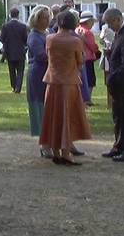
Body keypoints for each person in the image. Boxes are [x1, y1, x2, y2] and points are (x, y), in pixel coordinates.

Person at [38, 9, 91, 165]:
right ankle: (66, 152)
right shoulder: (75, 41)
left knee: (53, 116)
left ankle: (55, 150)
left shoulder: (50, 39)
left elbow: (49, 57)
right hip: (69, 82)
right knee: (67, 116)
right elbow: (80, 61)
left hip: (53, 82)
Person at [103, 8, 124, 162]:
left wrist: (113, 78)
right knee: (118, 117)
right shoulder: (120, 34)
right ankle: (119, 146)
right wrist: (110, 53)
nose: (110, 27)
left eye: (111, 23)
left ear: (118, 19)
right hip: (118, 83)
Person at [26, 6, 51, 150]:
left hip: (48, 74)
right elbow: (41, 56)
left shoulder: (47, 33)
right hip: (38, 75)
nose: (48, 20)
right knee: (41, 108)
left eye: (48, 17)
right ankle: (45, 145)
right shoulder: (34, 36)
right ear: (37, 19)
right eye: (44, 17)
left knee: (49, 108)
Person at [0, 7, 28, 94]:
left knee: (11, 71)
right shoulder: (23, 26)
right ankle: (18, 88)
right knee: (20, 71)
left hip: (9, 51)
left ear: (10, 15)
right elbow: (25, 39)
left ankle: (13, 86)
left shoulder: (5, 26)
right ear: (18, 15)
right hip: (20, 51)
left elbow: (2, 39)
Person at [77, 11, 98, 103]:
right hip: (88, 58)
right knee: (90, 80)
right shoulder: (88, 33)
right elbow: (93, 46)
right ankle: (87, 99)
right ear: (88, 21)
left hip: (79, 57)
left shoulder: (77, 29)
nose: (93, 24)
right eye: (92, 21)